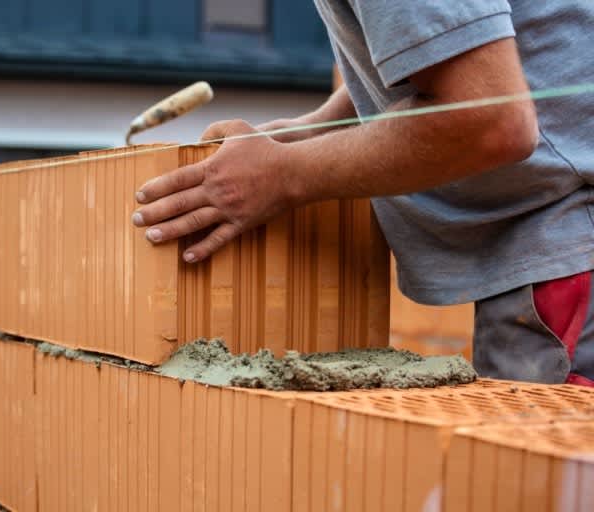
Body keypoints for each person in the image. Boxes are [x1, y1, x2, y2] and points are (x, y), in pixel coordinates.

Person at [130, 1, 594, 385]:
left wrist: (283, 175)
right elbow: (438, 51)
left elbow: (494, 122)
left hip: (570, 231)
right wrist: (307, 134)